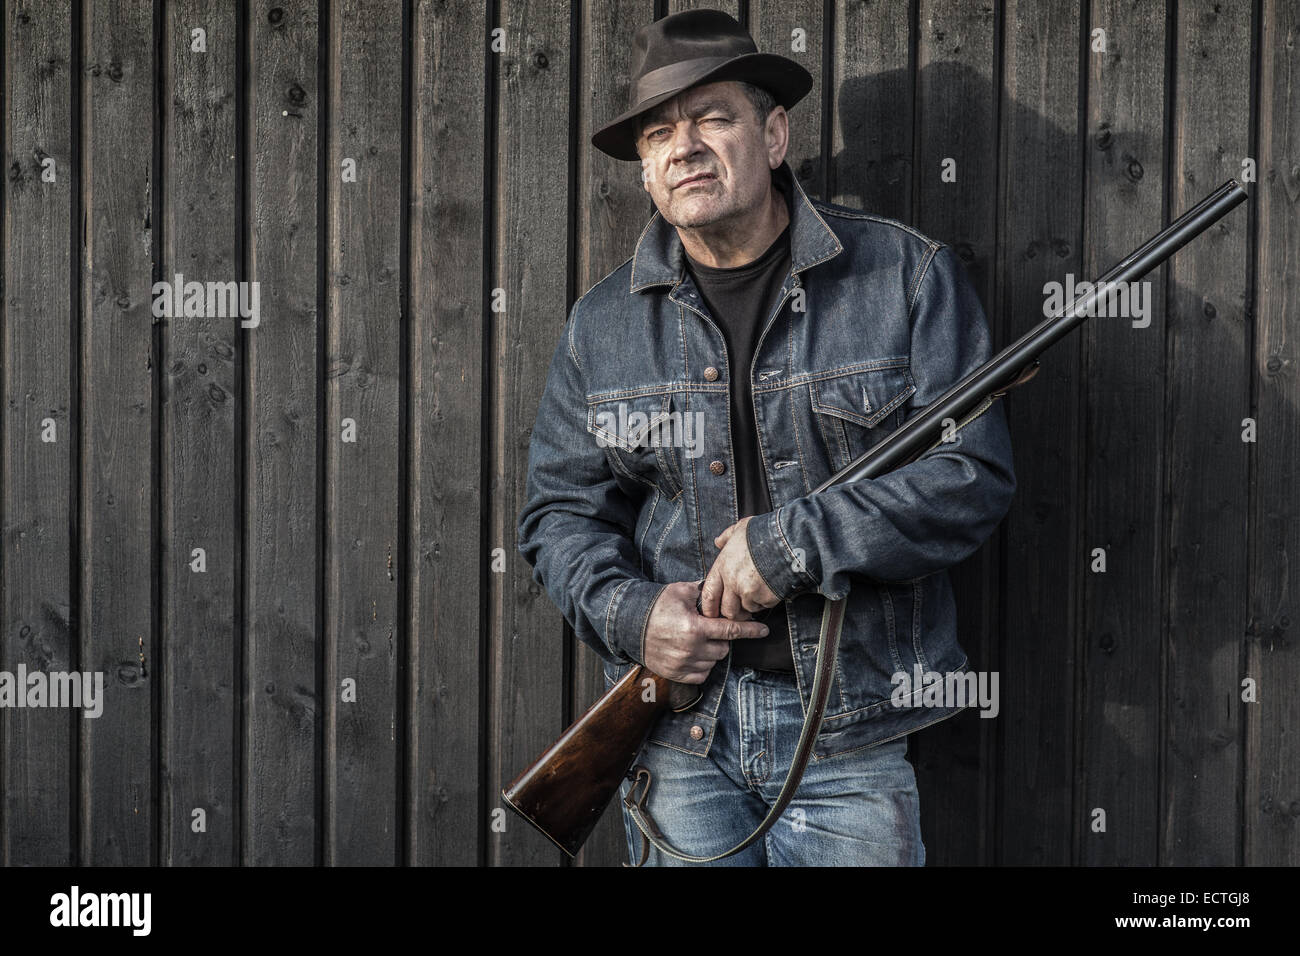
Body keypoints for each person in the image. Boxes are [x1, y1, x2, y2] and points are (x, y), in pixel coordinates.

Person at [517, 8, 1016, 866]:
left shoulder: (905, 278)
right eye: (660, 133)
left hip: (848, 740)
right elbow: (559, 516)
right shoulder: (601, 326)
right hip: (678, 737)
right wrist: (636, 617)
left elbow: (970, 475)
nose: (686, 147)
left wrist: (789, 547)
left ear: (774, 134)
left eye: (714, 118)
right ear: (644, 170)